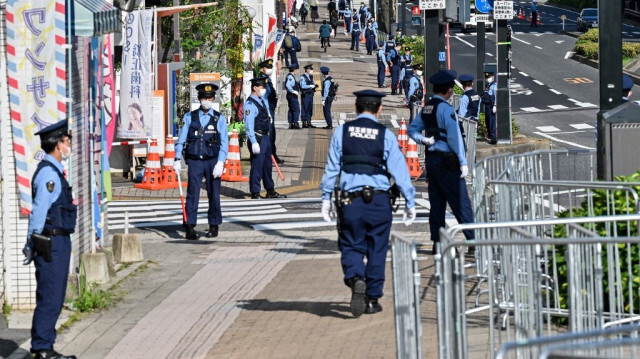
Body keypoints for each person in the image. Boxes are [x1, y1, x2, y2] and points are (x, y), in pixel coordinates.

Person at [320, 89, 416, 317]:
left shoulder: (342, 132)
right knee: (377, 249)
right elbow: (400, 172)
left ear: (355, 108)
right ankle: (372, 298)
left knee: (351, 244)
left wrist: (325, 198)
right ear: (379, 109)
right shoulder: (386, 135)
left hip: (350, 201)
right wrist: (410, 202)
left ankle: (355, 279)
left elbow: (332, 168)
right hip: (379, 201)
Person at [25, 120, 78, 359]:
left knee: (55, 295)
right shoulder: (48, 174)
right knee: (50, 296)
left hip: (58, 241)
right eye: (67, 142)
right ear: (58, 145)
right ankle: (42, 349)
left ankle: (45, 345)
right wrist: (30, 244)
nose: (69, 146)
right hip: (50, 242)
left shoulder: (54, 171)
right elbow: (38, 212)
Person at [407, 70, 475, 254]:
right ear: (448, 90)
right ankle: (473, 241)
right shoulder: (446, 109)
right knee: (461, 203)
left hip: (432, 161)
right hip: (448, 162)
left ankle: (437, 244)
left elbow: (412, 130)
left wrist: (424, 140)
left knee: (436, 204)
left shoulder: (427, 108)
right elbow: (454, 138)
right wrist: (463, 162)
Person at [174, 83, 229, 239]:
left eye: (210, 97)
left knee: (214, 194)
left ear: (213, 98)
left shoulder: (219, 118)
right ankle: (189, 226)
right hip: (195, 161)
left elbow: (224, 142)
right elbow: (182, 139)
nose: (207, 100)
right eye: (204, 97)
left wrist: (221, 162)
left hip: (213, 161)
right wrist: (177, 158)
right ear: (199, 98)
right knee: (192, 194)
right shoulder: (190, 117)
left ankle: (214, 225)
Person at [245, 77, 287, 199]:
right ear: (255, 88)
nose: (263, 89)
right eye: (262, 87)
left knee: (267, 165)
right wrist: (253, 142)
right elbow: (249, 126)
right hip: (257, 137)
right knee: (257, 166)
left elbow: (267, 107)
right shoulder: (250, 104)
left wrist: (269, 116)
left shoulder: (261, 100)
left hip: (265, 137)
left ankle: (270, 189)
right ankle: (255, 191)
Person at [257, 59, 283, 164]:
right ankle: (271, 156)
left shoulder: (267, 79)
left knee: (272, 134)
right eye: (267, 68)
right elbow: (264, 97)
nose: (269, 70)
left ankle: (273, 154)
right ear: (262, 69)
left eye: (270, 68)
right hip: (267, 110)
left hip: (270, 109)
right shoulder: (261, 81)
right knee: (269, 133)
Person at [481, 70, 498, 144]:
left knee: (491, 122)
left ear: (493, 77)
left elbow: (496, 96)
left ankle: (493, 138)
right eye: (487, 77)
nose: (487, 78)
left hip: (491, 106)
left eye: (489, 77)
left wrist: (495, 105)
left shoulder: (494, 85)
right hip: (487, 106)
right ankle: (490, 136)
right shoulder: (488, 85)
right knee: (487, 121)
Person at [300, 64, 317, 128]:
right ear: (307, 70)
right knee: (305, 108)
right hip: (306, 95)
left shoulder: (310, 77)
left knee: (310, 108)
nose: (312, 70)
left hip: (310, 94)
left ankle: (309, 121)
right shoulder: (303, 77)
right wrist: (310, 86)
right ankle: (304, 122)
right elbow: (302, 86)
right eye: (311, 69)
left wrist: (315, 85)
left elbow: (313, 82)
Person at [286, 64, 302, 129]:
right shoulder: (290, 77)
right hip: (292, 95)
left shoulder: (290, 76)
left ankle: (291, 123)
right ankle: (295, 123)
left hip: (290, 95)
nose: (296, 71)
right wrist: (293, 91)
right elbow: (288, 85)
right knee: (296, 109)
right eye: (295, 70)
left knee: (291, 109)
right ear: (294, 70)